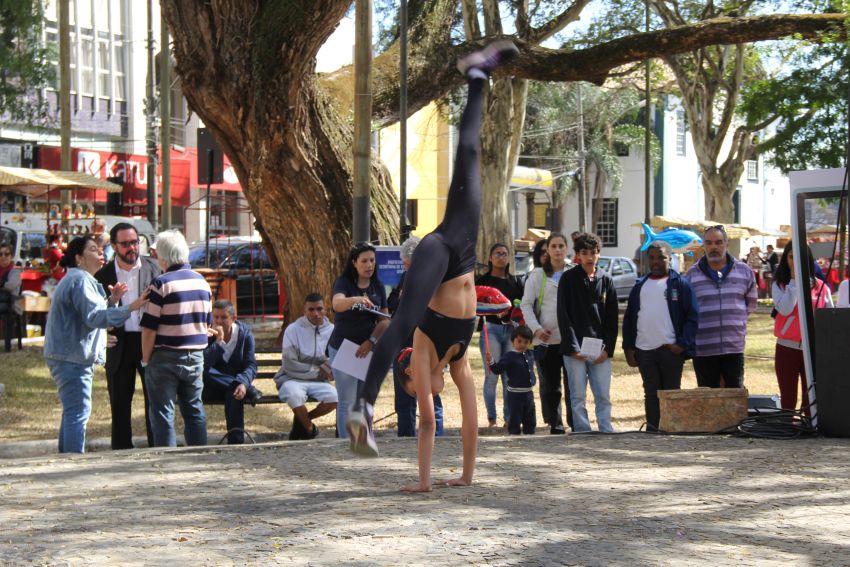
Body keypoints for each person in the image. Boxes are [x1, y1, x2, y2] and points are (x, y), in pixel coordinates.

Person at [346, 41, 519, 493]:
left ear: (410, 375)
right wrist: (465, 477)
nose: (422, 391)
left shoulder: (421, 357)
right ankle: (478, 77)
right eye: (418, 391)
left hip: (438, 251)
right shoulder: (458, 363)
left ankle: (361, 408)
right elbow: (470, 421)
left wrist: (425, 483)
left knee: (403, 321)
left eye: (414, 387)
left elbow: (426, 422)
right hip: (462, 255)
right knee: (471, 156)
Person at [44, 235, 148, 453]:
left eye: (100, 249)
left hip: (68, 355)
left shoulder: (78, 279)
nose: (100, 253)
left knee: (73, 410)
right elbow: (95, 318)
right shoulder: (80, 280)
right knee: (78, 411)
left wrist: (112, 300)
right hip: (72, 357)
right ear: (79, 258)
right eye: (93, 249)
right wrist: (132, 306)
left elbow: (89, 313)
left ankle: (66, 459)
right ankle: (73, 460)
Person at [140, 230, 212, 447]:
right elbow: (207, 324)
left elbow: (149, 329)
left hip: (165, 356)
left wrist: (146, 360)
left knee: (163, 414)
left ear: (163, 257)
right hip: (195, 355)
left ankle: (167, 458)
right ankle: (199, 454)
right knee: (194, 409)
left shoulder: (161, 284)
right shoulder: (202, 282)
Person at [95, 222, 161, 450]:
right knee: (120, 403)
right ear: (114, 246)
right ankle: (121, 451)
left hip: (149, 340)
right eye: (125, 244)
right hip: (118, 343)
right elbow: (94, 314)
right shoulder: (102, 276)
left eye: (135, 242)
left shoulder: (154, 269)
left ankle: (158, 448)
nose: (132, 248)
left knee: (155, 401)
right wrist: (102, 333)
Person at [622, 241, 699, 431]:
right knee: (651, 392)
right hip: (644, 350)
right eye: (652, 258)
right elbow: (630, 318)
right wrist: (628, 348)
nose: (656, 261)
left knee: (671, 393)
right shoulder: (640, 285)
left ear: (670, 259)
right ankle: (653, 430)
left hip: (670, 350)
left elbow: (692, 317)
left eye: (661, 257)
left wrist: (682, 344)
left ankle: (672, 430)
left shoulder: (680, 284)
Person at [557, 232, 619, 433]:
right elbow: (563, 315)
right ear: (578, 255)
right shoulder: (568, 279)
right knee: (577, 395)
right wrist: (574, 348)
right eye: (584, 253)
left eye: (593, 252)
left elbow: (612, 319)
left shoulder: (606, 280)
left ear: (599, 253)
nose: (589, 257)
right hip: (575, 349)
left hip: (600, 348)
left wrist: (607, 350)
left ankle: (605, 428)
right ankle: (582, 430)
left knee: (603, 394)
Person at [328, 242, 390, 438]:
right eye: (364, 261)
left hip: (367, 350)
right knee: (347, 401)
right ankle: (345, 444)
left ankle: (361, 442)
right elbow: (337, 304)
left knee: (363, 401)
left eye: (372, 260)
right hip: (344, 349)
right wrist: (355, 299)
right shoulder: (343, 282)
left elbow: (384, 320)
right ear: (354, 263)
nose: (369, 265)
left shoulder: (378, 286)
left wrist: (371, 341)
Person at [685, 225, 757, 389]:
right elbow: (688, 310)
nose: (714, 247)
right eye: (709, 243)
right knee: (708, 397)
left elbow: (750, 305)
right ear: (704, 245)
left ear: (726, 244)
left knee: (734, 395)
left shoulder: (744, 272)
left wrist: (734, 321)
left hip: (734, 347)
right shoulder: (692, 275)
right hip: (704, 348)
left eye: (718, 242)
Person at [389, 237, 444, 438]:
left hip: (425, 343)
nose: (405, 268)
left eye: (407, 264)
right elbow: (394, 302)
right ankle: (405, 437)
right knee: (404, 396)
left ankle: (436, 437)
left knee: (430, 394)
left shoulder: (435, 279)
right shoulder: (406, 276)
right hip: (403, 344)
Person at [521, 232, 573, 434]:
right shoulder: (537, 275)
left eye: (561, 246)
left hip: (570, 340)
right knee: (551, 385)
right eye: (554, 246)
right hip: (546, 340)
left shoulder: (574, 272)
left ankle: (575, 422)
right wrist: (537, 329)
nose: (558, 250)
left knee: (573, 383)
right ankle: (555, 423)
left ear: (566, 248)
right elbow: (526, 305)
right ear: (548, 250)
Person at [772, 241, 832, 416]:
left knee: (810, 398)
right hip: (786, 348)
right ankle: (788, 426)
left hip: (812, 349)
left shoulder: (821, 286)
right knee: (788, 398)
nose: (796, 261)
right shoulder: (779, 284)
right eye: (792, 257)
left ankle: (810, 427)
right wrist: (793, 282)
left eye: (800, 257)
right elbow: (785, 309)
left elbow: (829, 317)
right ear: (786, 259)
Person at [274, 293, 338, 440]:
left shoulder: (333, 330)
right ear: (304, 311)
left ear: (325, 309)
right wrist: (316, 371)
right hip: (292, 379)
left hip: (319, 381)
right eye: (311, 309)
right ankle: (310, 428)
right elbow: (289, 363)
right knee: (294, 395)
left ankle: (303, 421)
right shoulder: (293, 329)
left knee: (335, 397)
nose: (316, 313)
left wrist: (329, 365)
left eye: (319, 309)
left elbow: (337, 357)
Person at [476, 242, 524, 428]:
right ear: (490, 258)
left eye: (504, 254)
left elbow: (521, 306)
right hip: (491, 330)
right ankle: (492, 419)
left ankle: (508, 418)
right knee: (492, 375)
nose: (501, 257)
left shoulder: (515, 282)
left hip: (511, 332)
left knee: (508, 377)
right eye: (497, 253)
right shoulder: (482, 281)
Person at [202, 299, 261, 444]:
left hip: (233, 387)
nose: (218, 321)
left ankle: (236, 444)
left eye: (223, 317)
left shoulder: (245, 334)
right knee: (204, 371)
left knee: (234, 393)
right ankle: (247, 389)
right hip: (210, 387)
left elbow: (250, 365)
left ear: (234, 318)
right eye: (215, 317)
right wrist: (218, 342)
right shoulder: (207, 334)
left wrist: (243, 383)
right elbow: (204, 364)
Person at [486, 325, 537, 435]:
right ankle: (514, 436)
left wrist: (544, 343)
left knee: (530, 418)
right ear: (513, 341)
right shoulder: (509, 356)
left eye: (526, 342)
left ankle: (530, 436)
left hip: (529, 394)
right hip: (515, 395)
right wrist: (491, 361)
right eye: (519, 341)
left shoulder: (530, 354)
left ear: (530, 343)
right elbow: (497, 369)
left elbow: (541, 355)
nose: (522, 344)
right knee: (515, 418)